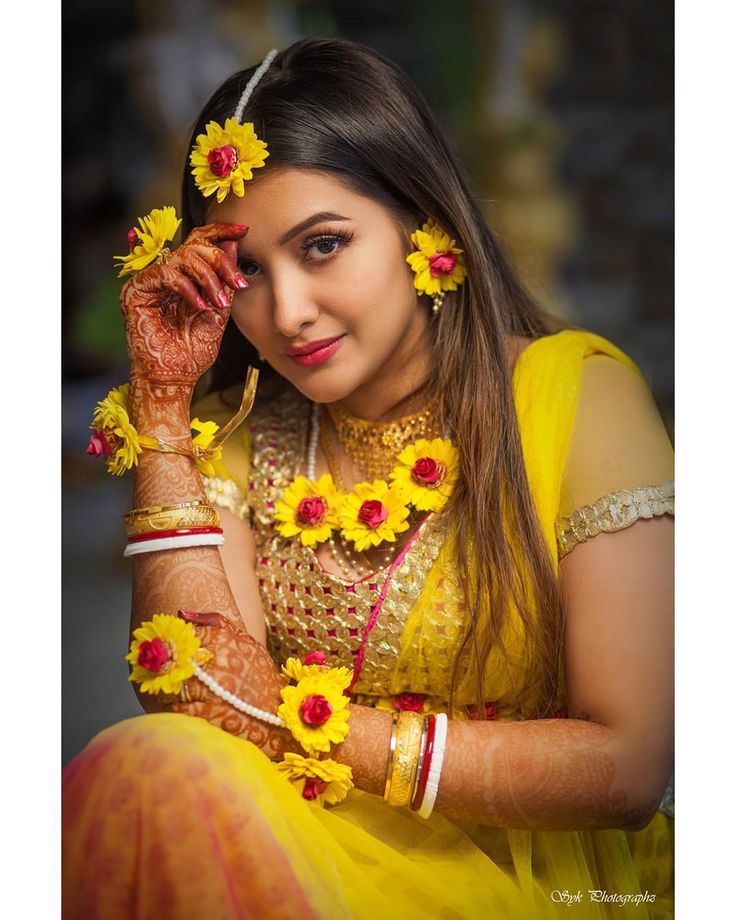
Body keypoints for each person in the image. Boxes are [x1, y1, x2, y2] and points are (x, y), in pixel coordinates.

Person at [63, 38, 674, 919]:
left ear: (425, 222)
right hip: (293, 850)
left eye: (323, 246)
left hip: (528, 878)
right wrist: (160, 407)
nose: (286, 313)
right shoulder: (238, 427)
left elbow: (627, 767)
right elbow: (187, 697)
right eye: (246, 274)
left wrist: (318, 726)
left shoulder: (576, 396)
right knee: (150, 766)